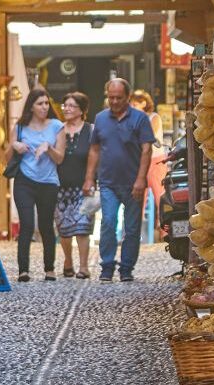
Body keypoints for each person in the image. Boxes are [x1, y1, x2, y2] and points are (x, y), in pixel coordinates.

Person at [83, 79, 156, 282]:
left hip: (133, 182)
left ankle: (126, 268)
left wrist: (141, 179)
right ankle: (106, 266)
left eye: (118, 98)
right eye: (111, 97)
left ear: (128, 97)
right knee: (108, 222)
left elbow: (146, 150)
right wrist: (89, 178)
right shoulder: (100, 118)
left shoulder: (140, 119)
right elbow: (95, 149)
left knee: (132, 228)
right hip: (107, 182)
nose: (114, 101)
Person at [10, 89, 67, 282]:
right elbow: (6, 156)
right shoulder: (20, 127)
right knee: (26, 224)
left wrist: (48, 147)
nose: (44, 107)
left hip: (48, 181)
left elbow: (60, 159)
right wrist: (14, 146)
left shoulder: (57, 126)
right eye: (40, 103)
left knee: (45, 225)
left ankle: (49, 268)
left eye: (46, 103)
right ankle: (23, 270)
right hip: (24, 180)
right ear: (31, 107)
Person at [54, 92, 95, 280]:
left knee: (83, 227)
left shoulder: (90, 130)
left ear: (81, 110)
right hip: (61, 186)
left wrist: (93, 179)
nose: (67, 109)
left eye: (71, 106)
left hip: (83, 186)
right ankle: (68, 261)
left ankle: (84, 266)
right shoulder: (58, 130)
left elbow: (96, 156)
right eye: (65, 105)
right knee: (64, 228)